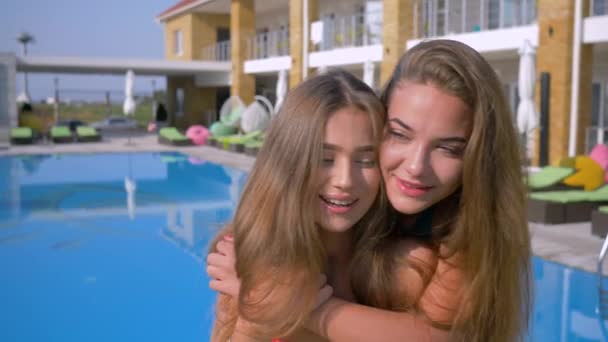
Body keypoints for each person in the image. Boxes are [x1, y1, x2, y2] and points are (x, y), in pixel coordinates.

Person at [209, 40, 532, 341]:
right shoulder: (249, 255)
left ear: (476, 160)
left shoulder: (416, 260)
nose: (416, 165)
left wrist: (295, 306)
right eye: (401, 135)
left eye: (448, 148)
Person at [208, 69, 388, 341]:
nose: (345, 180)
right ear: (288, 162)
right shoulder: (248, 257)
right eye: (324, 158)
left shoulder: (397, 258)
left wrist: (291, 307)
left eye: (365, 160)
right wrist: (256, 310)